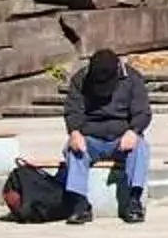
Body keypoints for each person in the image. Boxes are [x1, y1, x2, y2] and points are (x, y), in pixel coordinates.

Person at [61, 48, 154, 225]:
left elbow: (143, 112)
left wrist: (134, 131)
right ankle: (80, 203)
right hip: (91, 137)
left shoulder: (132, 79)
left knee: (140, 147)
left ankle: (134, 200)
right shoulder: (81, 79)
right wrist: (74, 132)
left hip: (122, 137)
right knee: (73, 149)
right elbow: (73, 110)